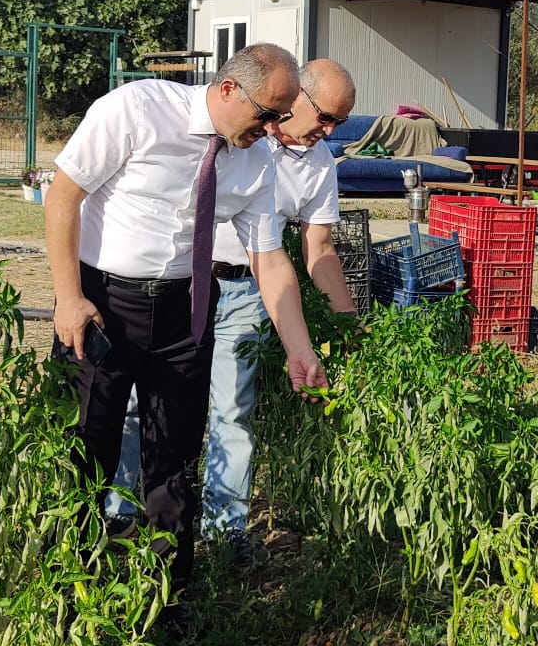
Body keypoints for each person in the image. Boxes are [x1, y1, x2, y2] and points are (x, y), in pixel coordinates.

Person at [44, 44, 329, 593]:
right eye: (266, 114)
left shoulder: (255, 159)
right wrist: (68, 297)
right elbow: (63, 196)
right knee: (84, 455)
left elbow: (270, 259)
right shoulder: (137, 109)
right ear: (228, 89)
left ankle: (166, 602)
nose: (273, 129)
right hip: (102, 305)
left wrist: (300, 349)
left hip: (185, 311)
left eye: (282, 116)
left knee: (173, 462)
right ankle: (69, 600)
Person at [113, 59, 360, 549]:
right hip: (188, 283)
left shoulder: (318, 164)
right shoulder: (237, 131)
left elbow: (319, 249)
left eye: (340, 122)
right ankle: (119, 512)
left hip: (248, 291)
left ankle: (225, 531)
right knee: (142, 403)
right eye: (325, 117)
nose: (330, 131)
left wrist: (346, 322)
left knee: (232, 411)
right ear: (296, 98)